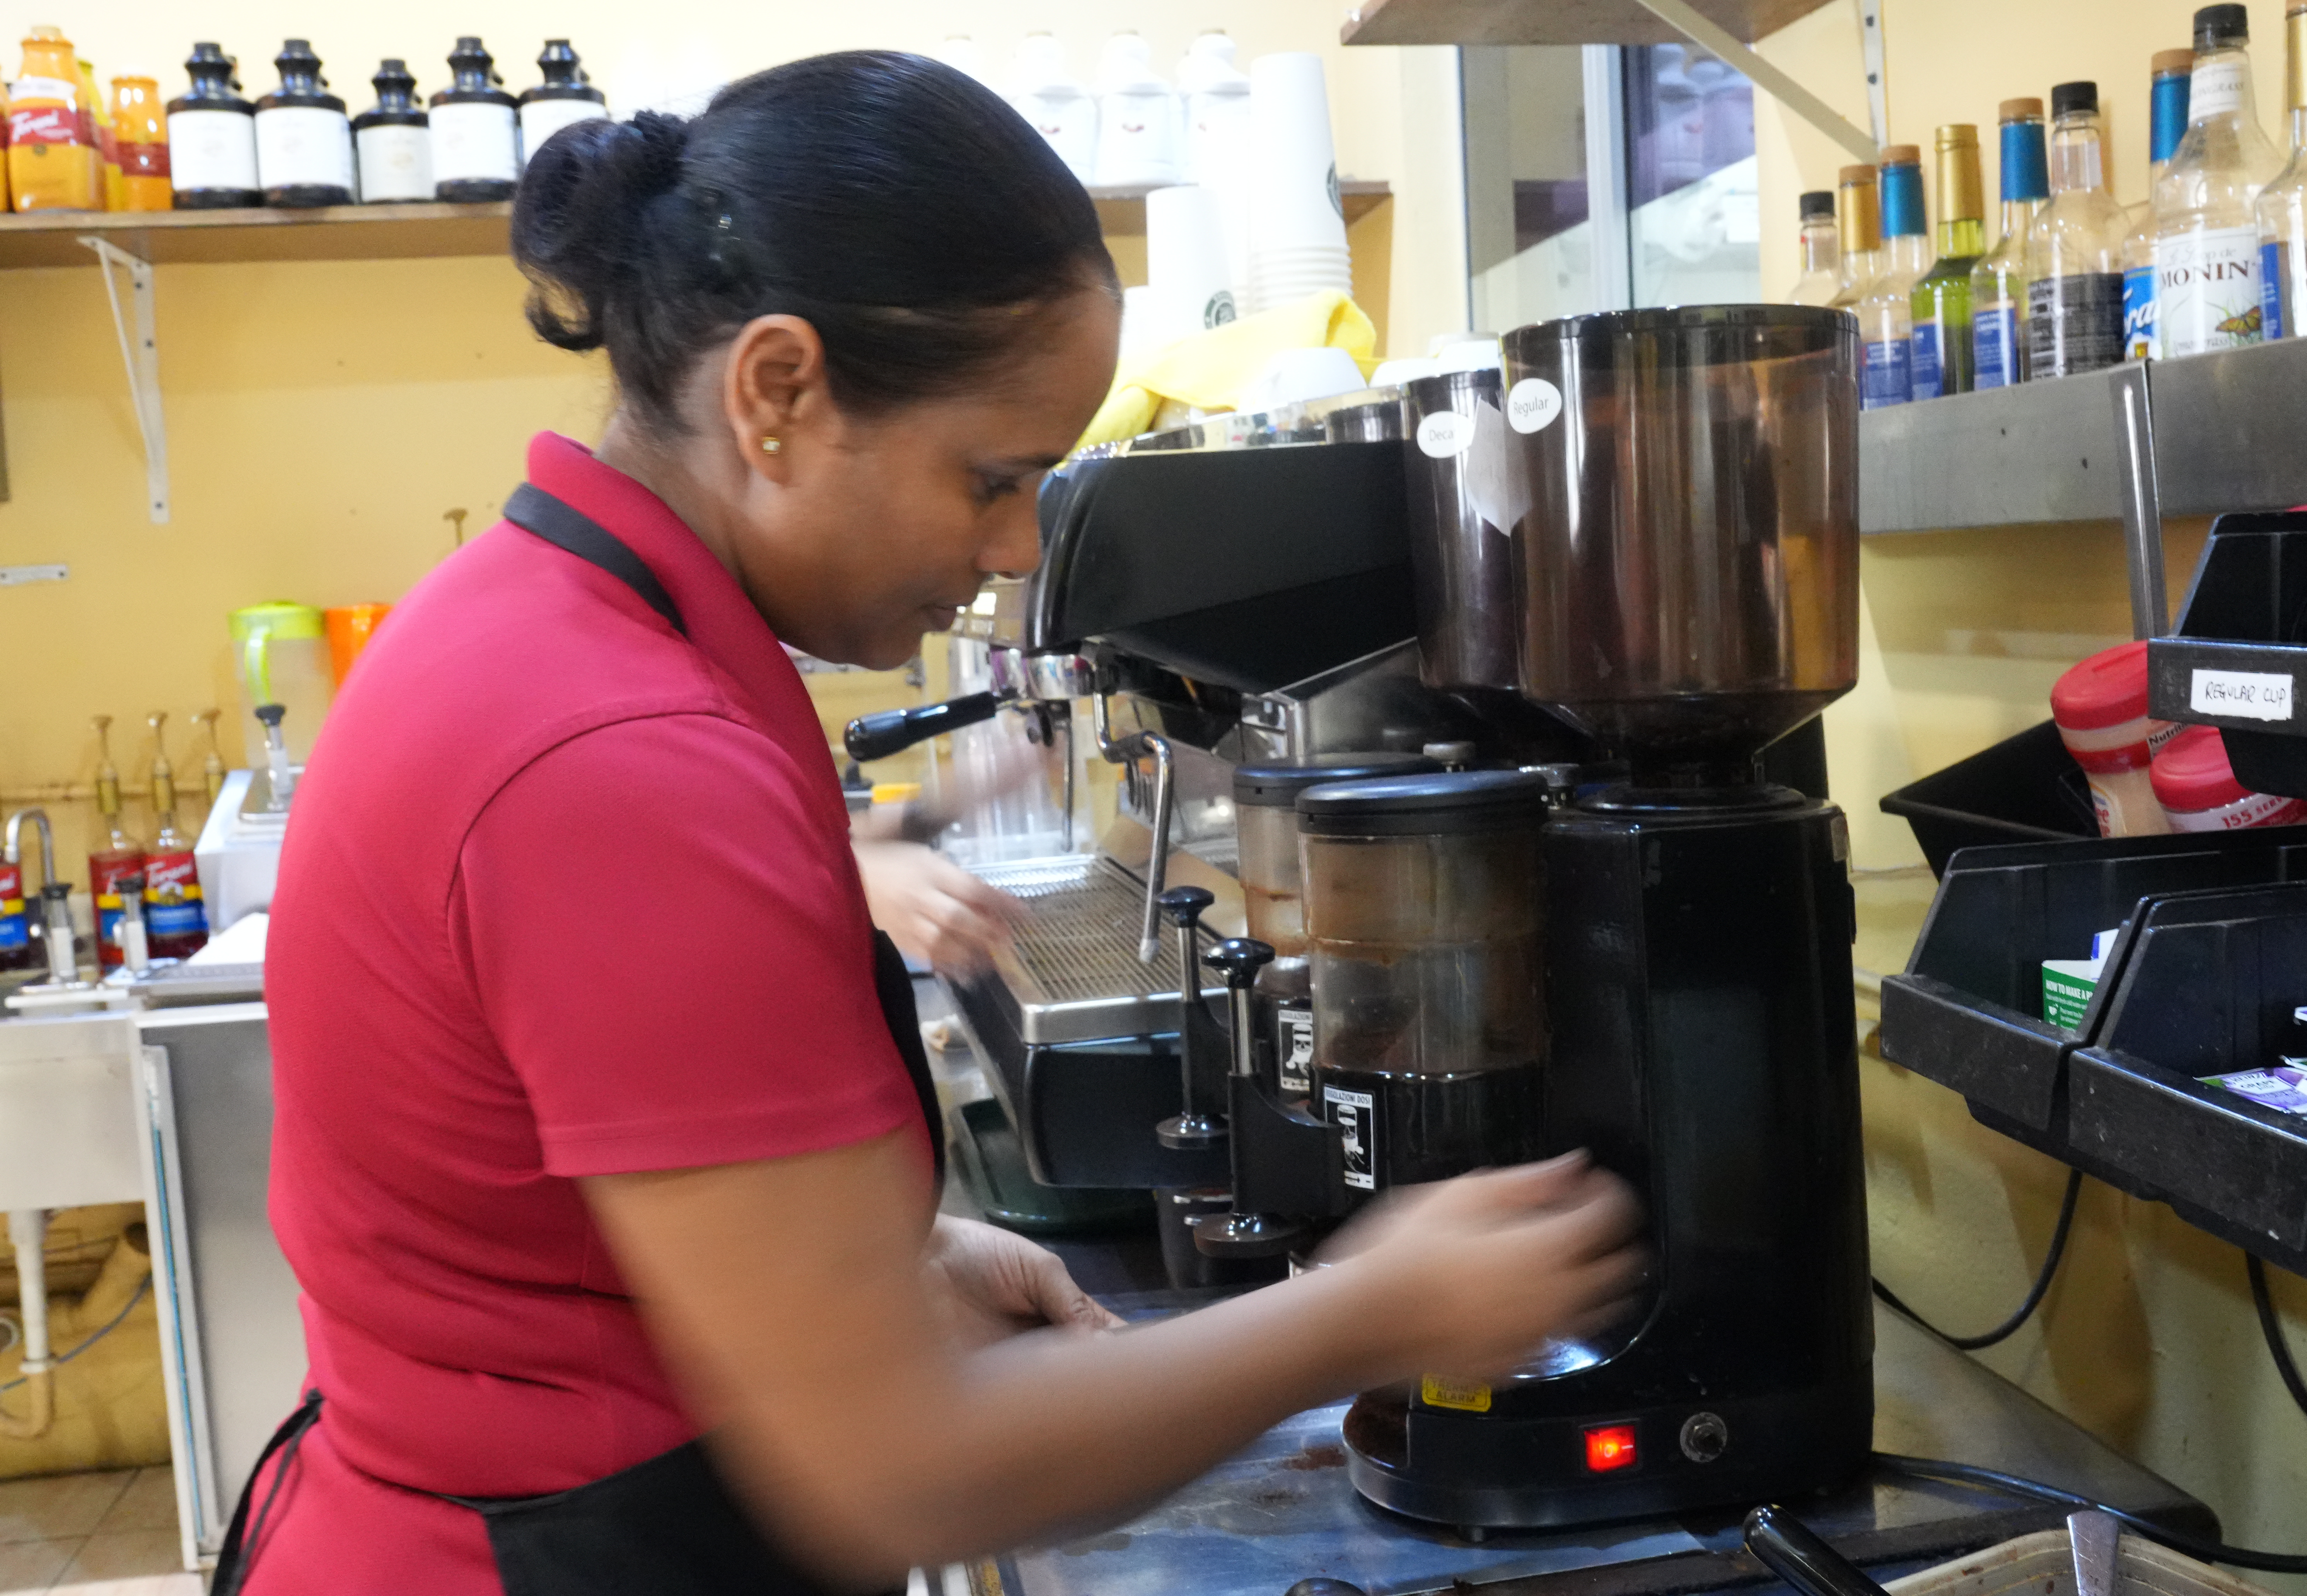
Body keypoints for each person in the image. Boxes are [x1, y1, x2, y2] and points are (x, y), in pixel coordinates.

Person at [244, 51, 1645, 1595]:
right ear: (777, 390)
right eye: (992, 477)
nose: (1011, 550)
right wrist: (1367, 1315)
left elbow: (539, 1228)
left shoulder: (552, 624)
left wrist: (869, 1273)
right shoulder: (620, 760)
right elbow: (902, 1471)